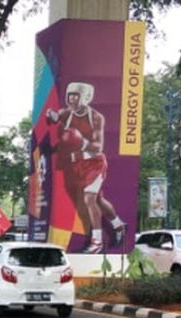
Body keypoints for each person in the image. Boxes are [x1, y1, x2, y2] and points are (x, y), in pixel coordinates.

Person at [44, 81, 126, 253]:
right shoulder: (68, 113)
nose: (72, 99)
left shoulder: (96, 117)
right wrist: (51, 115)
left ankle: (97, 241)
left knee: (89, 198)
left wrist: (79, 142)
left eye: (76, 95)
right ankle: (118, 226)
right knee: (98, 200)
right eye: (70, 95)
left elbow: (98, 146)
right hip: (78, 165)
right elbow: (57, 116)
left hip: (95, 162)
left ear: (85, 97)